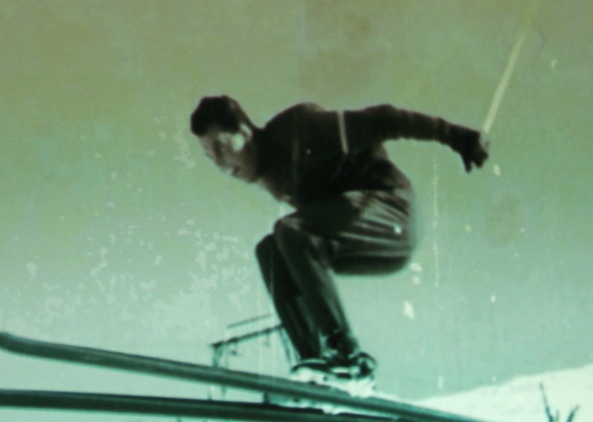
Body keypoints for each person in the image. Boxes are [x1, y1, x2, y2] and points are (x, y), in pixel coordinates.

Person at [190, 95, 489, 382]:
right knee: (270, 252)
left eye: (220, 148)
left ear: (244, 133)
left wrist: (456, 136)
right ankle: (318, 367)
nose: (220, 164)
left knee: (290, 231)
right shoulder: (267, 173)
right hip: (365, 234)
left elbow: (384, 119)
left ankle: (346, 355)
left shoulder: (298, 131)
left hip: (393, 212)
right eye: (209, 156)